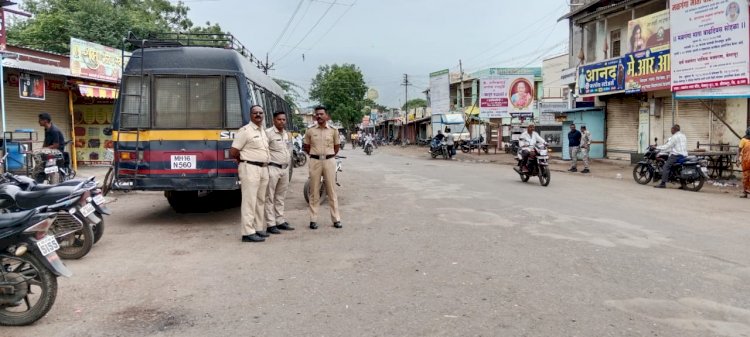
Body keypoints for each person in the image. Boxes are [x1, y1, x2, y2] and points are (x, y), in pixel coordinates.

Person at [230, 105, 271, 242]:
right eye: (255, 113)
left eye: (260, 112)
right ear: (250, 115)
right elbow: (234, 152)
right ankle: (247, 233)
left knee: (260, 200)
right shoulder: (245, 131)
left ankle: (258, 228)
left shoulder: (262, 131)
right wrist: (243, 161)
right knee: (249, 200)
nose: (258, 115)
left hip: (263, 168)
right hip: (250, 168)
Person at [303, 106, 342, 229]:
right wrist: (315, 155)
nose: (319, 116)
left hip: (329, 161)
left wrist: (327, 156)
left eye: (321, 114)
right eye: (317, 114)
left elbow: (336, 147)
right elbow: (306, 147)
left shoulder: (333, 130)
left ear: (327, 116)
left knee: (331, 191)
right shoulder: (310, 130)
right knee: (314, 191)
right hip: (315, 161)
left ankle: (336, 219)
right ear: (315, 116)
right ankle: (313, 220)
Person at [265, 111, 295, 234]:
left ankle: (280, 221)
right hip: (273, 168)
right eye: (279, 119)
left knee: (280, 197)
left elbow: (288, 148)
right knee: (269, 197)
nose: (281, 122)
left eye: (283, 119)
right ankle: (270, 224)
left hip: (284, 169)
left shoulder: (287, 134)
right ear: (274, 120)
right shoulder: (268, 133)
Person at [654, 124, 688, 189]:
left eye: (671, 129)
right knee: (677, 168)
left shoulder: (674, 137)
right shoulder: (683, 135)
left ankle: (663, 183)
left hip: (676, 155)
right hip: (684, 155)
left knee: (666, 166)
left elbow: (667, 146)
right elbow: (676, 146)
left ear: (674, 130)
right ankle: (683, 184)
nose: (671, 131)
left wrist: (656, 147)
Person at [33, 113, 65, 178]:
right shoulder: (47, 129)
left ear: (45, 121)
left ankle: (40, 169)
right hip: (50, 149)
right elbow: (46, 140)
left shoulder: (54, 130)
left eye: (40, 120)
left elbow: (56, 145)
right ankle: (42, 170)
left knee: (36, 154)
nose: (38, 121)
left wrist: (44, 149)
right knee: (37, 153)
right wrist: (42, 148)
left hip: (57, 150)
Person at [738, 127, 750, 198]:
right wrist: (737, 159)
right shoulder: (743, 140)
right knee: (746, 177)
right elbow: (739, 150)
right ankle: (745, 193)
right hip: (746, 162)